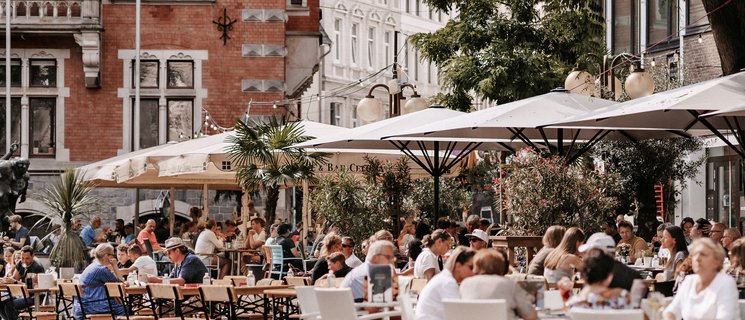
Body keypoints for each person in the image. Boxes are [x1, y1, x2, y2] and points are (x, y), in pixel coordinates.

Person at [663, 238, 740, 320]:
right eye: (695, 254)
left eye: (703, 254)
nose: (698, 258)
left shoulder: (725, 283)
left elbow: (725, 317)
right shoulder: (689, 281)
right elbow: (672, 310)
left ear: (717, 261)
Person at [460, 249, 537, 320]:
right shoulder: (509, 284)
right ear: (501, 266)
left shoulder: (465, 284)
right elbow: (531, 315)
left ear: (476, 266)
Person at [415, 246, 476, 320]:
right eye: (471, 267)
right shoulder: (448, 283)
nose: (474, 272)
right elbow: (457, 315)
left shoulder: (445, 279)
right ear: (458, 266)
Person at [73, 244, 126, 319]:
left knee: (117, 303)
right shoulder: (102, 269)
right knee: (121, 307)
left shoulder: (92, 266)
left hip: (80, 306)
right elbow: (120, 284)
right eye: (112, 255)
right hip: (90, 306)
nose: (113, 257)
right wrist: (115, 266)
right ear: (105, 256)